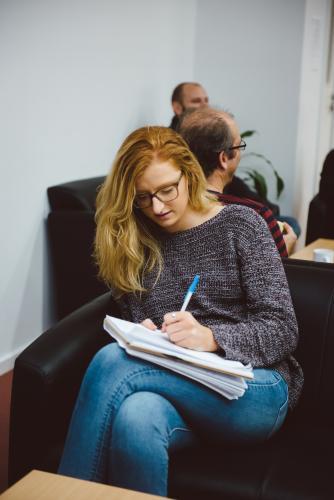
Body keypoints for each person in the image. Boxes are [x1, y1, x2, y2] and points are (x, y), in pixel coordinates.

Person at [58, 126, 303, 497]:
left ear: (188, 174)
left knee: (112, 361)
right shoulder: (137, 242)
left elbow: (282, 329)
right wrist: (145, 332)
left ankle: (61, 493)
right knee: (135, 417)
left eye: (167, 190)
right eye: (143, 197)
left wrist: (211, 338)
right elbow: (139, 323)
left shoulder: (240, 225)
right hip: (180, 387)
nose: (157, 207)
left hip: (254, 390)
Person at [170, 83, 301, 236]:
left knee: (288, 222)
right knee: (286, 227)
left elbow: (235, 184)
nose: (205, 106)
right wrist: (283, 253)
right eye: (197, 101)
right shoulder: (171, 144)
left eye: (206, 100)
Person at [178, 107, 297, 256]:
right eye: (239, 146)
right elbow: (273, 277)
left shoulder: (169, 208)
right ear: (223, 159)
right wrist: (283, 251)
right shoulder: (255, 215)